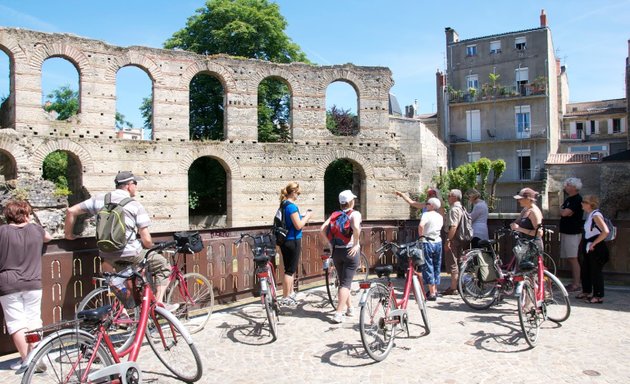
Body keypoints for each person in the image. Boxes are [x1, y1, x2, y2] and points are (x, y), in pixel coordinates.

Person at [64, 171, 172, 305]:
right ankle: (159, 303)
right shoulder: (135, 205)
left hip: (106, 253)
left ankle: (124, 311)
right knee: (163, 265)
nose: (136, 187)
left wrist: (69, 235)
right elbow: (147, 240)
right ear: (128, 185)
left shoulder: (100, 199)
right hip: (131, 253)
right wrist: (153, 248)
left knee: (119, 276)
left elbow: (71, 211)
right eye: (135, 184)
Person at [0, 200, 52, 370]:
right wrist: (32, 221)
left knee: (16, 323)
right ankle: (36, 354)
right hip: (33, 282)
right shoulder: (36, 230)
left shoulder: (2, 231)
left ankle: (26, 361)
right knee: (34, 319)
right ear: (26, 215)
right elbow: (48, 238)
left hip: (8, 283)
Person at [320, 190, 362, 323]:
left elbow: (322, 229)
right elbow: (355, 227)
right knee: (345, 284)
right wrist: (355, 244)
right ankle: (338, 313)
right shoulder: (355, 213)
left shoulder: (334, 215)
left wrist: (330, 244)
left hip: (337, 252)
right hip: (350, 252)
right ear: (351, 201)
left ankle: (350, 308)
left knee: (343, 281)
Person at [277, 182, 313, 306]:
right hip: (293, 240)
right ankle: (286, 297)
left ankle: (290, 293)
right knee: (290, 270)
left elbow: (290, 220)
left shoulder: (283, 204)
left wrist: (300, 216)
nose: (298, 195)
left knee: (288, 269)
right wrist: (307, 216)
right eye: (298, 193)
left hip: (284, 241)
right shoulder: (292, 206)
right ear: (293, 192)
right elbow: (298, 225)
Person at [577, 195, 609, 304]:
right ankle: (587, 291)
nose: (582, 204)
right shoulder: (590, 215)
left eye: (584, 202)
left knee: (596, 271)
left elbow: (605, 231)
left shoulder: (596, 215)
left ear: (590, 204)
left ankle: (598, 296)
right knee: (587, 269)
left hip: (596, 247)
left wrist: (594, 243)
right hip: (589, 245)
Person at [559, 178, 584, 293]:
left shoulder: (577, 199)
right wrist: (563, 210)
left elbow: (564, 212)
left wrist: (563, 210)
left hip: (573, 232)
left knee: (573, 258)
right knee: (570, 257)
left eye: (568, 185)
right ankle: (575, 282)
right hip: (566, 231)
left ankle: (576, 284)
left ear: (574, 187)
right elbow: (562, 211)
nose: (565, 187)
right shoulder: (569, 199)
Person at [441, 189, 466, 296]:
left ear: (454, 197)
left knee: (453, 263)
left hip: (453, 238)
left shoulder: (454, 209)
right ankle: (460, 285)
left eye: (449, 195)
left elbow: (453, 226)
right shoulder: (462, 208)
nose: (448, 197)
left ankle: (453, 288)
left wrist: (448, 240)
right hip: (460, 238)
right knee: (459, 262)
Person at [418, 197, 443, 301]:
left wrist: (421, 236)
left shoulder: (426, 214)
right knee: (437, 265)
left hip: (427, 241)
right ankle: (435, 289)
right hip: (438, 241)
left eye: (427, 203)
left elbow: (421, 225)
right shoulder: (440, 216)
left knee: (428, 265)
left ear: (432, 206)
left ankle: (432, 293)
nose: (426, 204)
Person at [510, 187, 544, 252]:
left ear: (528, 199)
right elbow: (518, 221)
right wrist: (513, 224)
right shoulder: (526, 209)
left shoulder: (534, 212)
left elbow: (539, 233)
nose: (518, 201)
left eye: (521, 199)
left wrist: (519, 229)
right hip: (525, 244)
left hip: (533, 246)